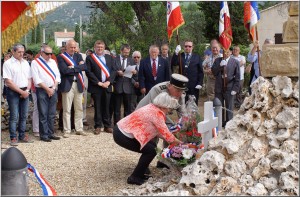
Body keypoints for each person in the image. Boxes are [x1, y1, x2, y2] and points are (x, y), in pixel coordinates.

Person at [113, 92, 183, 185]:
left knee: (152, 146)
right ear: (163, 106)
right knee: (151, 150)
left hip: (121, 130)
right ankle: (135, 177)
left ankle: (141, 173)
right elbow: (169, 137)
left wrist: (171, 137)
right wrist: (182, 144)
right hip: (123, 135)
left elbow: (159, 132)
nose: (169, 111)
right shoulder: (157, 114)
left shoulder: (152, 107)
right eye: (169, 108)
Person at [136, 73, 188, 169]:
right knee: (151, 140)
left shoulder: (181, 95)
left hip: (160, 116)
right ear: (170, 86)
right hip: (145, 115)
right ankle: (144, 165)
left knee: (172, 131)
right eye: (178, 90)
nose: (180, 94)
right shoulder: (158, 90)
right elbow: (155, 112)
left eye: (182, 91)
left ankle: (164, 160)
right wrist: (172, 127)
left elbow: (182, 112)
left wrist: (184, 125)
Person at [3, 43, 33, 146]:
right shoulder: (7, 64)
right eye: (19, 52)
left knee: (24, 115)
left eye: (22, 52)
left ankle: (22, 135)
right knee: (14, 116)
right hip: (13, 92)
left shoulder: (25, 63)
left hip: (25, 90)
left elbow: (29, 78)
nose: (21, 54)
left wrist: (27, 90)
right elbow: (8, 82)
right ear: (13, 52)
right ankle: (13, 137)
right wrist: (21, 92)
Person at [85, 40, 116, 134]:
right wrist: (98, 82)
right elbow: (88, 72)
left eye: (101, 47)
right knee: (97, 106)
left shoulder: (110, 57)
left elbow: (114, 71)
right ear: (94, 48)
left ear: (104, 48)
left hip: (107, 86)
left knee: (107, 106)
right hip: (96, 86)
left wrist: (109, 82)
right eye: (98, 47)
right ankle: (98, 126)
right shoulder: (90, 58)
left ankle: (107, 126)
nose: (100, 49)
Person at [57, 39, 87, 138]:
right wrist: (77, 67)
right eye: (71, 47)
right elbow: (64, 71)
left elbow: (84, 67)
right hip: (67, 85)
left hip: (78, 84)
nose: (73, 49)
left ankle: (79, 128)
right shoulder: (61, 57)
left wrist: (72, 68)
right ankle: (67, 130)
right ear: (66, 47)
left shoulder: (78, 56)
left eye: (74, 47)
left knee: (79, 108)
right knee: (67, 109)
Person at [31, 45, 61, 142]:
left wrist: (52, 88)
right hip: (42, 90)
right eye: (47, 54)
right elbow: (36, 79)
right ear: (41, 53)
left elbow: (57, 76)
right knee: (43, 113)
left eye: (51, 54)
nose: (49, 56)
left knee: (52, 113)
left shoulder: (52, 62)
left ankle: (51, 133)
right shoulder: (35, 62)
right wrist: (47, 89)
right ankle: (44, 135)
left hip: (53, 89)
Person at [211, 48, 240, 127]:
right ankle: (219, 123)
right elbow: (214, 72)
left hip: (230, 87)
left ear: (231, 52)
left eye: (228, 52)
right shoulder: (217, 60)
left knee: (229, 107)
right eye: (224, 51)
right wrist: (220, 66)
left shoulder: (235, 62)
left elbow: (237, 77)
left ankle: (229, 124)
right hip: (219, 86)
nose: (226, 53)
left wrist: (235, 88)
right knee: (218, 105)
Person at [171, 40, 204, 104]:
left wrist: (200, 83)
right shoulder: (180, 56)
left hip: (194, 86)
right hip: (182, 85)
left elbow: (200, 72)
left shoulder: (197, 57)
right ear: (183, 47)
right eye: (186, 46)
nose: (187, 48)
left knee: (193, 105)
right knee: (182, 105)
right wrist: (176, 53)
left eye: (189, 46)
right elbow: (173, 63)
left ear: (192, 47)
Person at [113, 44, 136, 125]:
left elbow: (136, 74)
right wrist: (117, 73)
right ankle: (117, 124)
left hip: (128, 87)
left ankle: (127, 125)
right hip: (117, 86)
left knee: (128, 108)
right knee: (117, 108)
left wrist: (135, 72)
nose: (127, 54)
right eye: (125, 52)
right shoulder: (114, 60)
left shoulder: (131, 60)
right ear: (121, 51)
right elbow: (111, 71)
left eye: (128, 52)